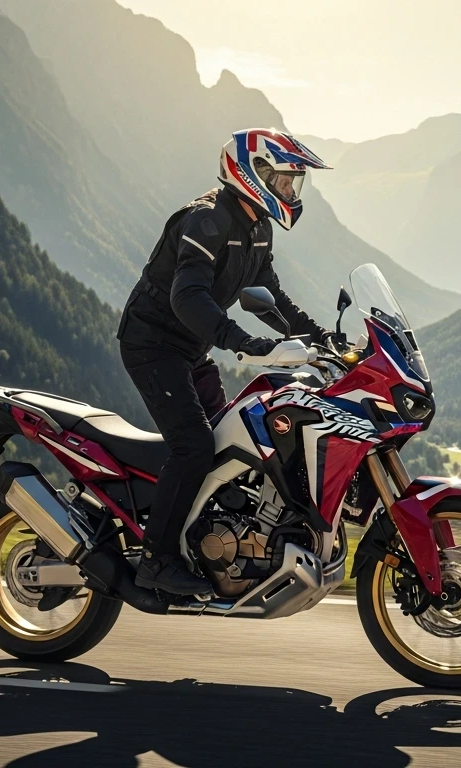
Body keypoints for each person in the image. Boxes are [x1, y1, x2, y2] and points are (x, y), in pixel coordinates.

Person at [116, 128, 341, 595]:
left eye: (293, 183)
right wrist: (243, 343)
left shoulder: (256, 227)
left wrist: (326, 341)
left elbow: (273, 299)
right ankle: (156, 559)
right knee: (194, 446)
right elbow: (187, 297)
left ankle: (202, 539)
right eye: (283, 180)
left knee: (227, 447)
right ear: (253, 173)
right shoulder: (206, 221)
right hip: (153, 345)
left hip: (190, 351)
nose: (290, 192)